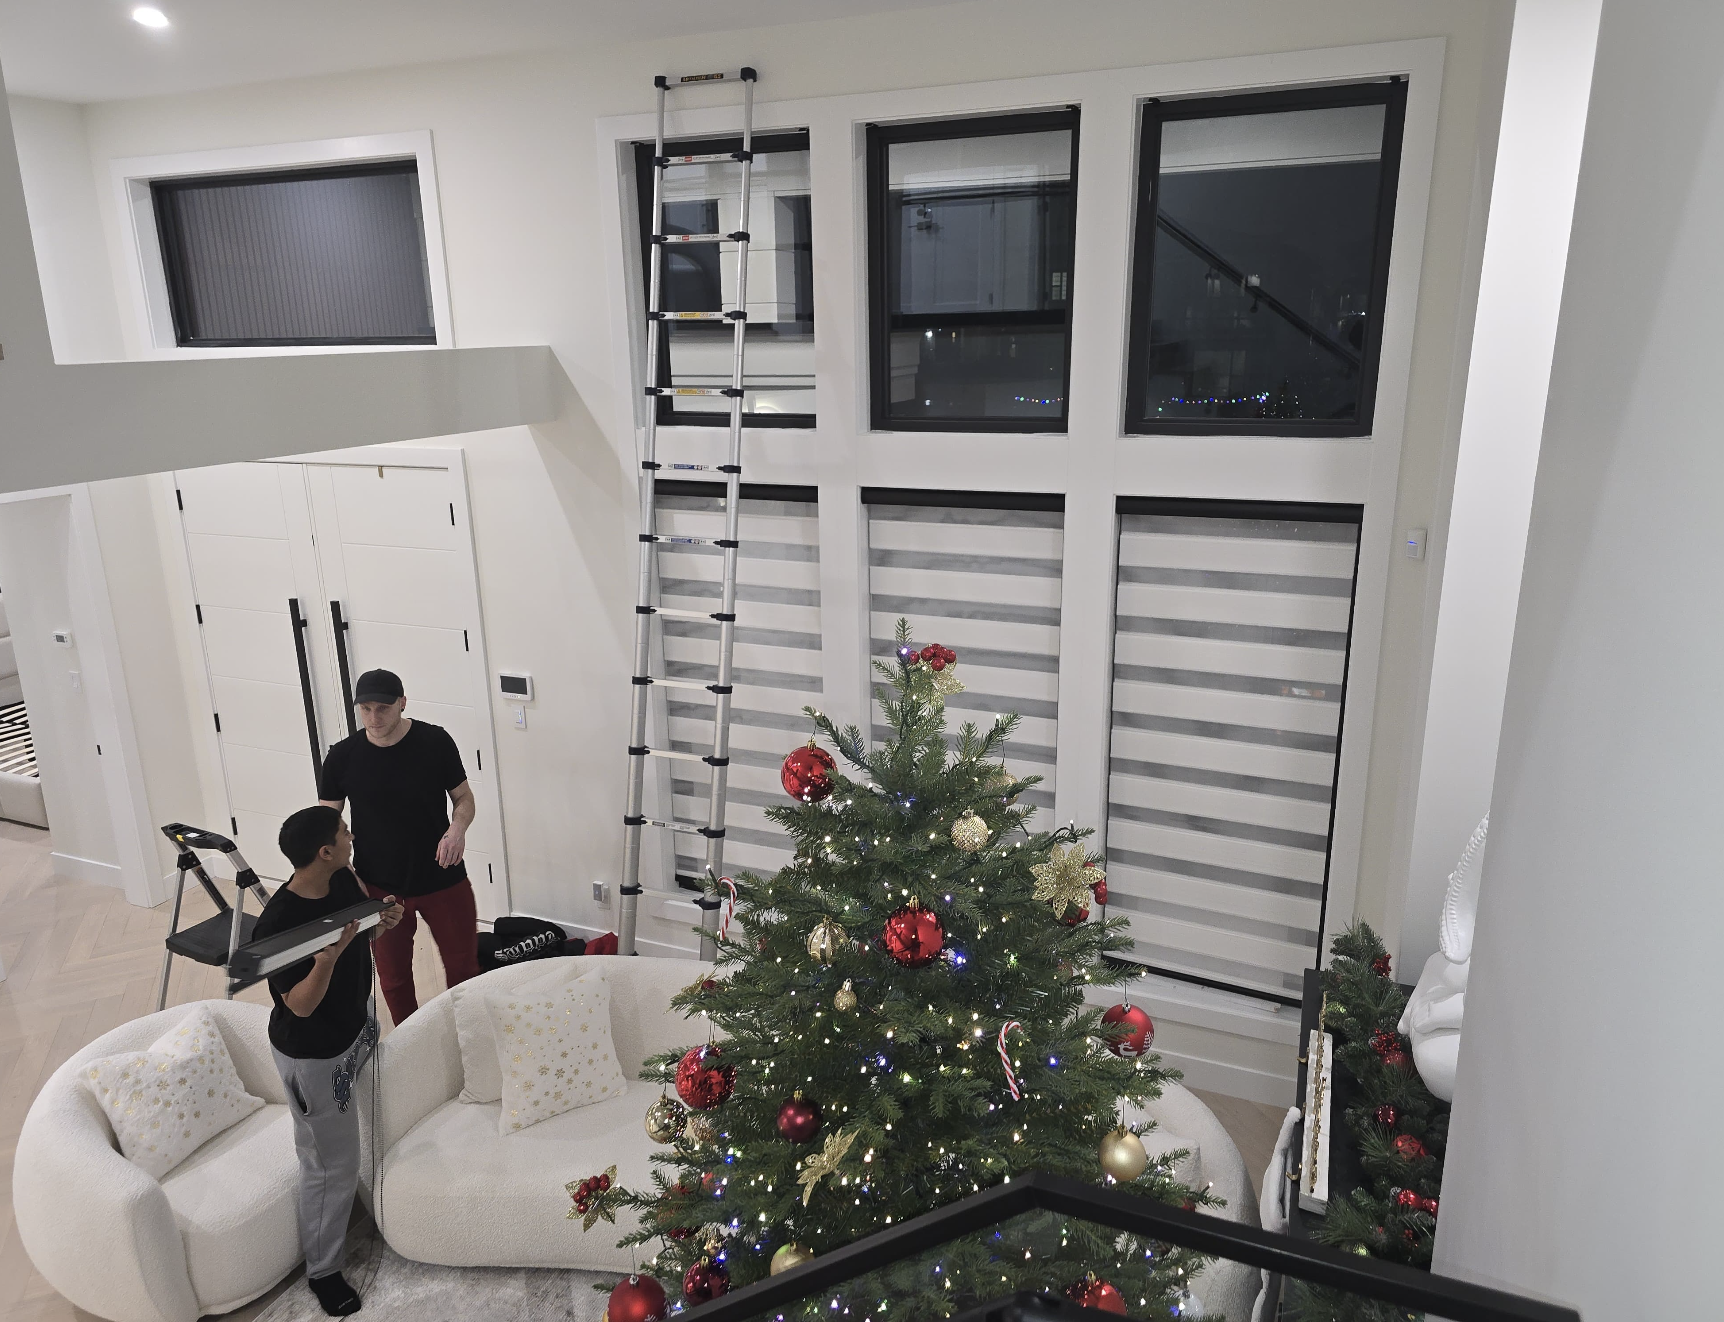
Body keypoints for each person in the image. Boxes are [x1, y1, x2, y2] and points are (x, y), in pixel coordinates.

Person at [252, 806, 404, 1316]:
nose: (350, 836)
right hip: (314, 1058)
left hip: (356, 1028)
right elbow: (299, 1005)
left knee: (350, 1147)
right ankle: (323, 1271)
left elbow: (362, 933)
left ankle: (362, 1203)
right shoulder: (277, 925)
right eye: (343, 832)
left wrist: (383, 922)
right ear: (324, 851)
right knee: (329, 1165)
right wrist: (327, 960)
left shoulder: (343, 879)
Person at [319, 668, 480, 1025]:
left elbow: (464, 797)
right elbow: (325, 826)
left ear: (402, 703)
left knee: (464, 969)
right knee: (393, 980)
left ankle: (470, 1035)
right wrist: (347, 874)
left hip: (443, 877)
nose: (374, 718)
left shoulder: (435, 741)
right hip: (379, 888)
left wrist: (457, 829)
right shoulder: (342, 757)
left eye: (383, 708)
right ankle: (412, 1043)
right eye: (366, 709)